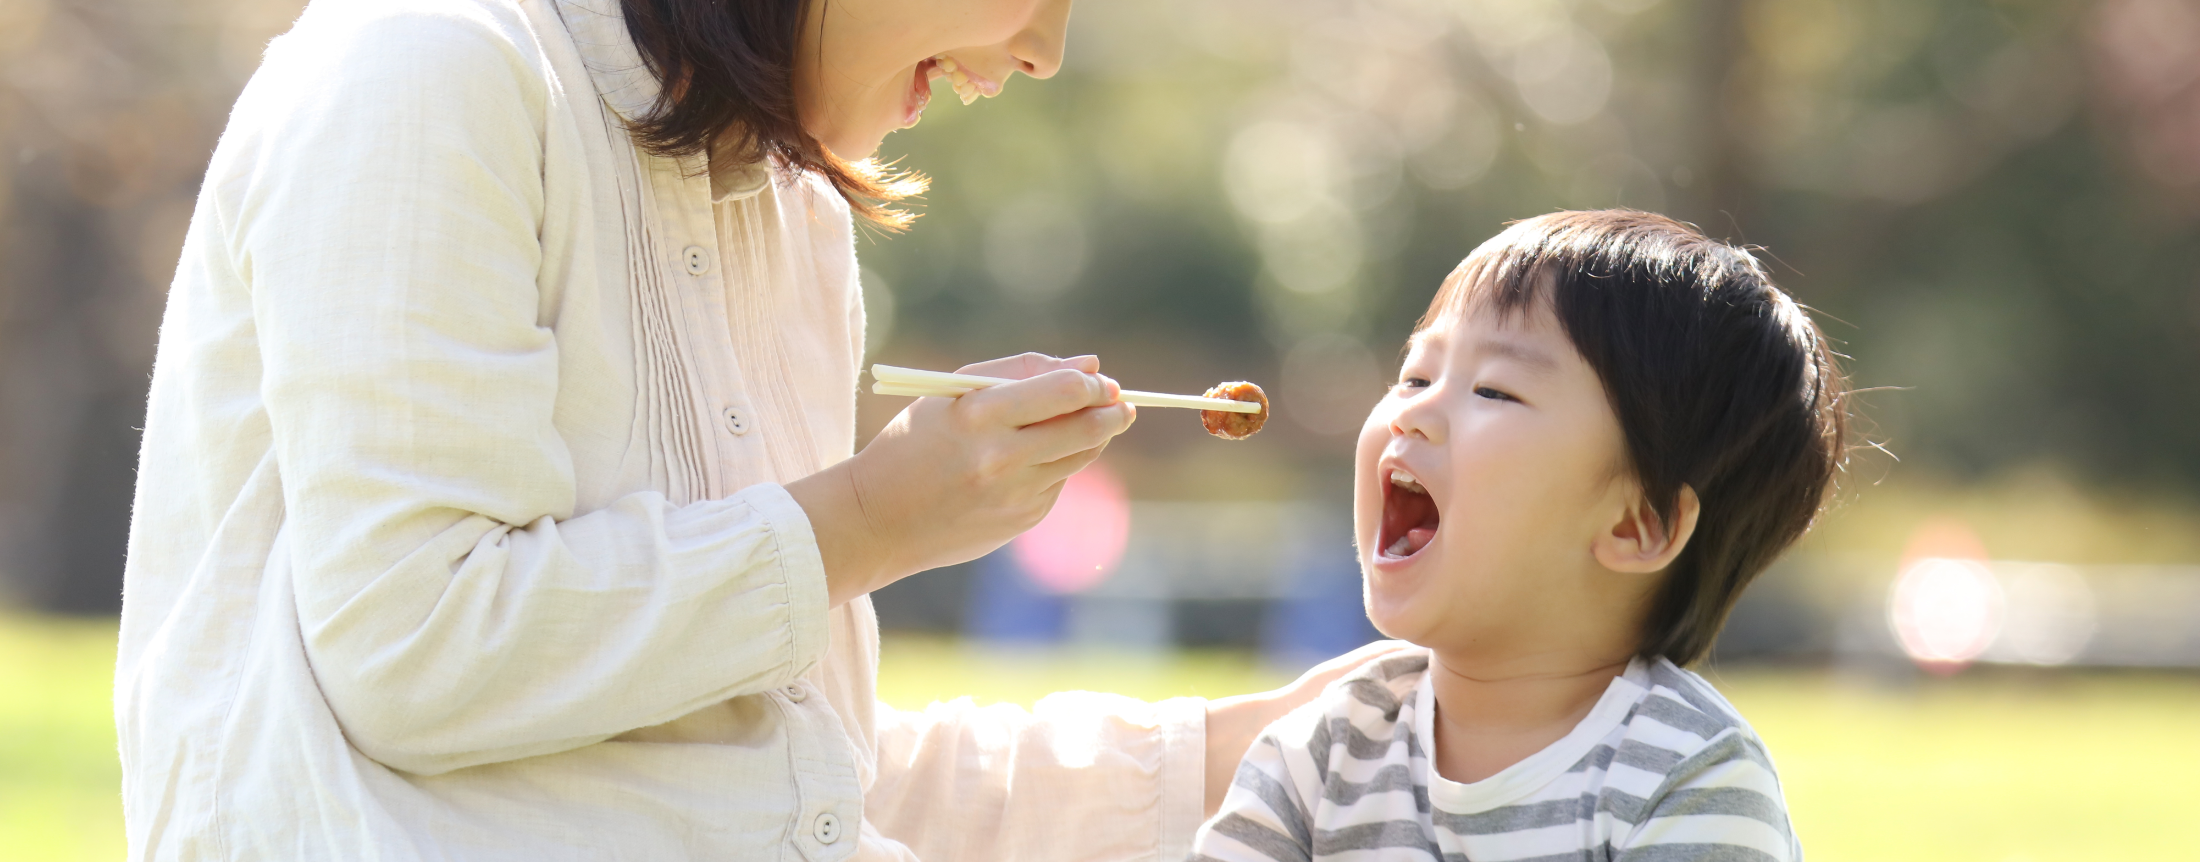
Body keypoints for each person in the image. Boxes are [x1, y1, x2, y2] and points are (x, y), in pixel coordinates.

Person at [114, 0, 1398, 859]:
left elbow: (793, 776)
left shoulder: (794, 215)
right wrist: (867, 520)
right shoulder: (431, 65)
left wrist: (1254, 747)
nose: (1047, 48)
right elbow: (417, 645)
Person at [1190, 210, 1850, 861]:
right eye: (1415, 376)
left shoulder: (1688, 778)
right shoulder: (1325, 751)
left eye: (1494, 390)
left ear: (1635, 523)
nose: (1413, 411)